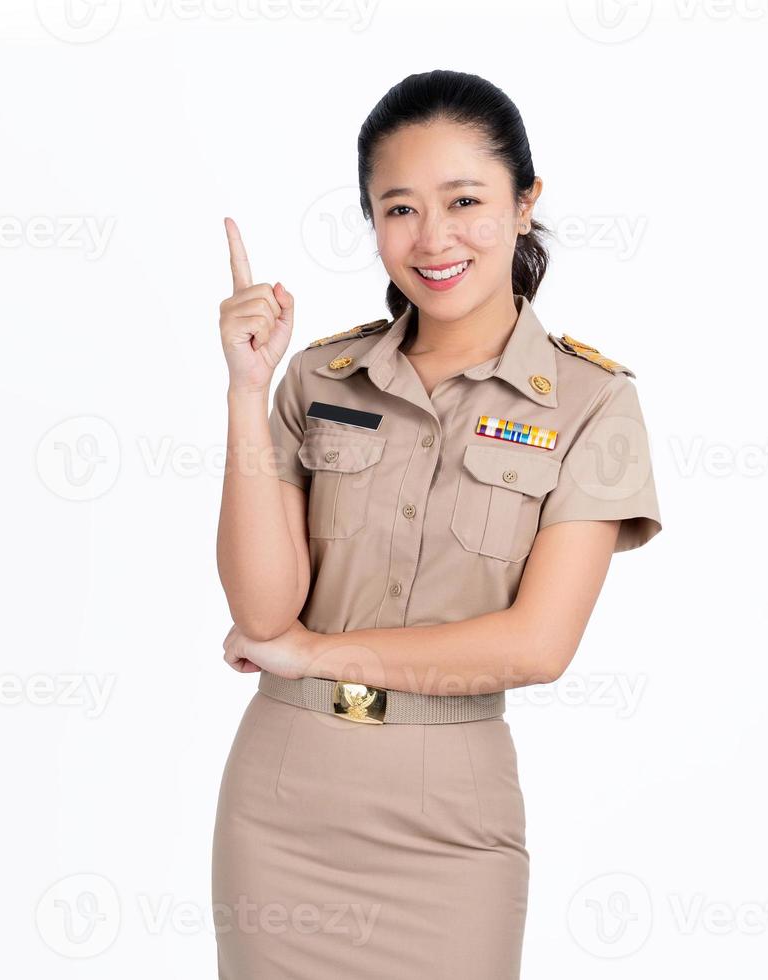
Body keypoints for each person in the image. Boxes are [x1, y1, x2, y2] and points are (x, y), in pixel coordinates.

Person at [211, 68, 662, 980]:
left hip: (451, 813)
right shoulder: (317, 377)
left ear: (525, 203)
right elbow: (264, 616)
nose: (433, 237)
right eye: (400, 209)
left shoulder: (591, 402)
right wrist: (247, 387)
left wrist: (320, 654)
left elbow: (536, 647)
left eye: (465, 200)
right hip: (284, 797)